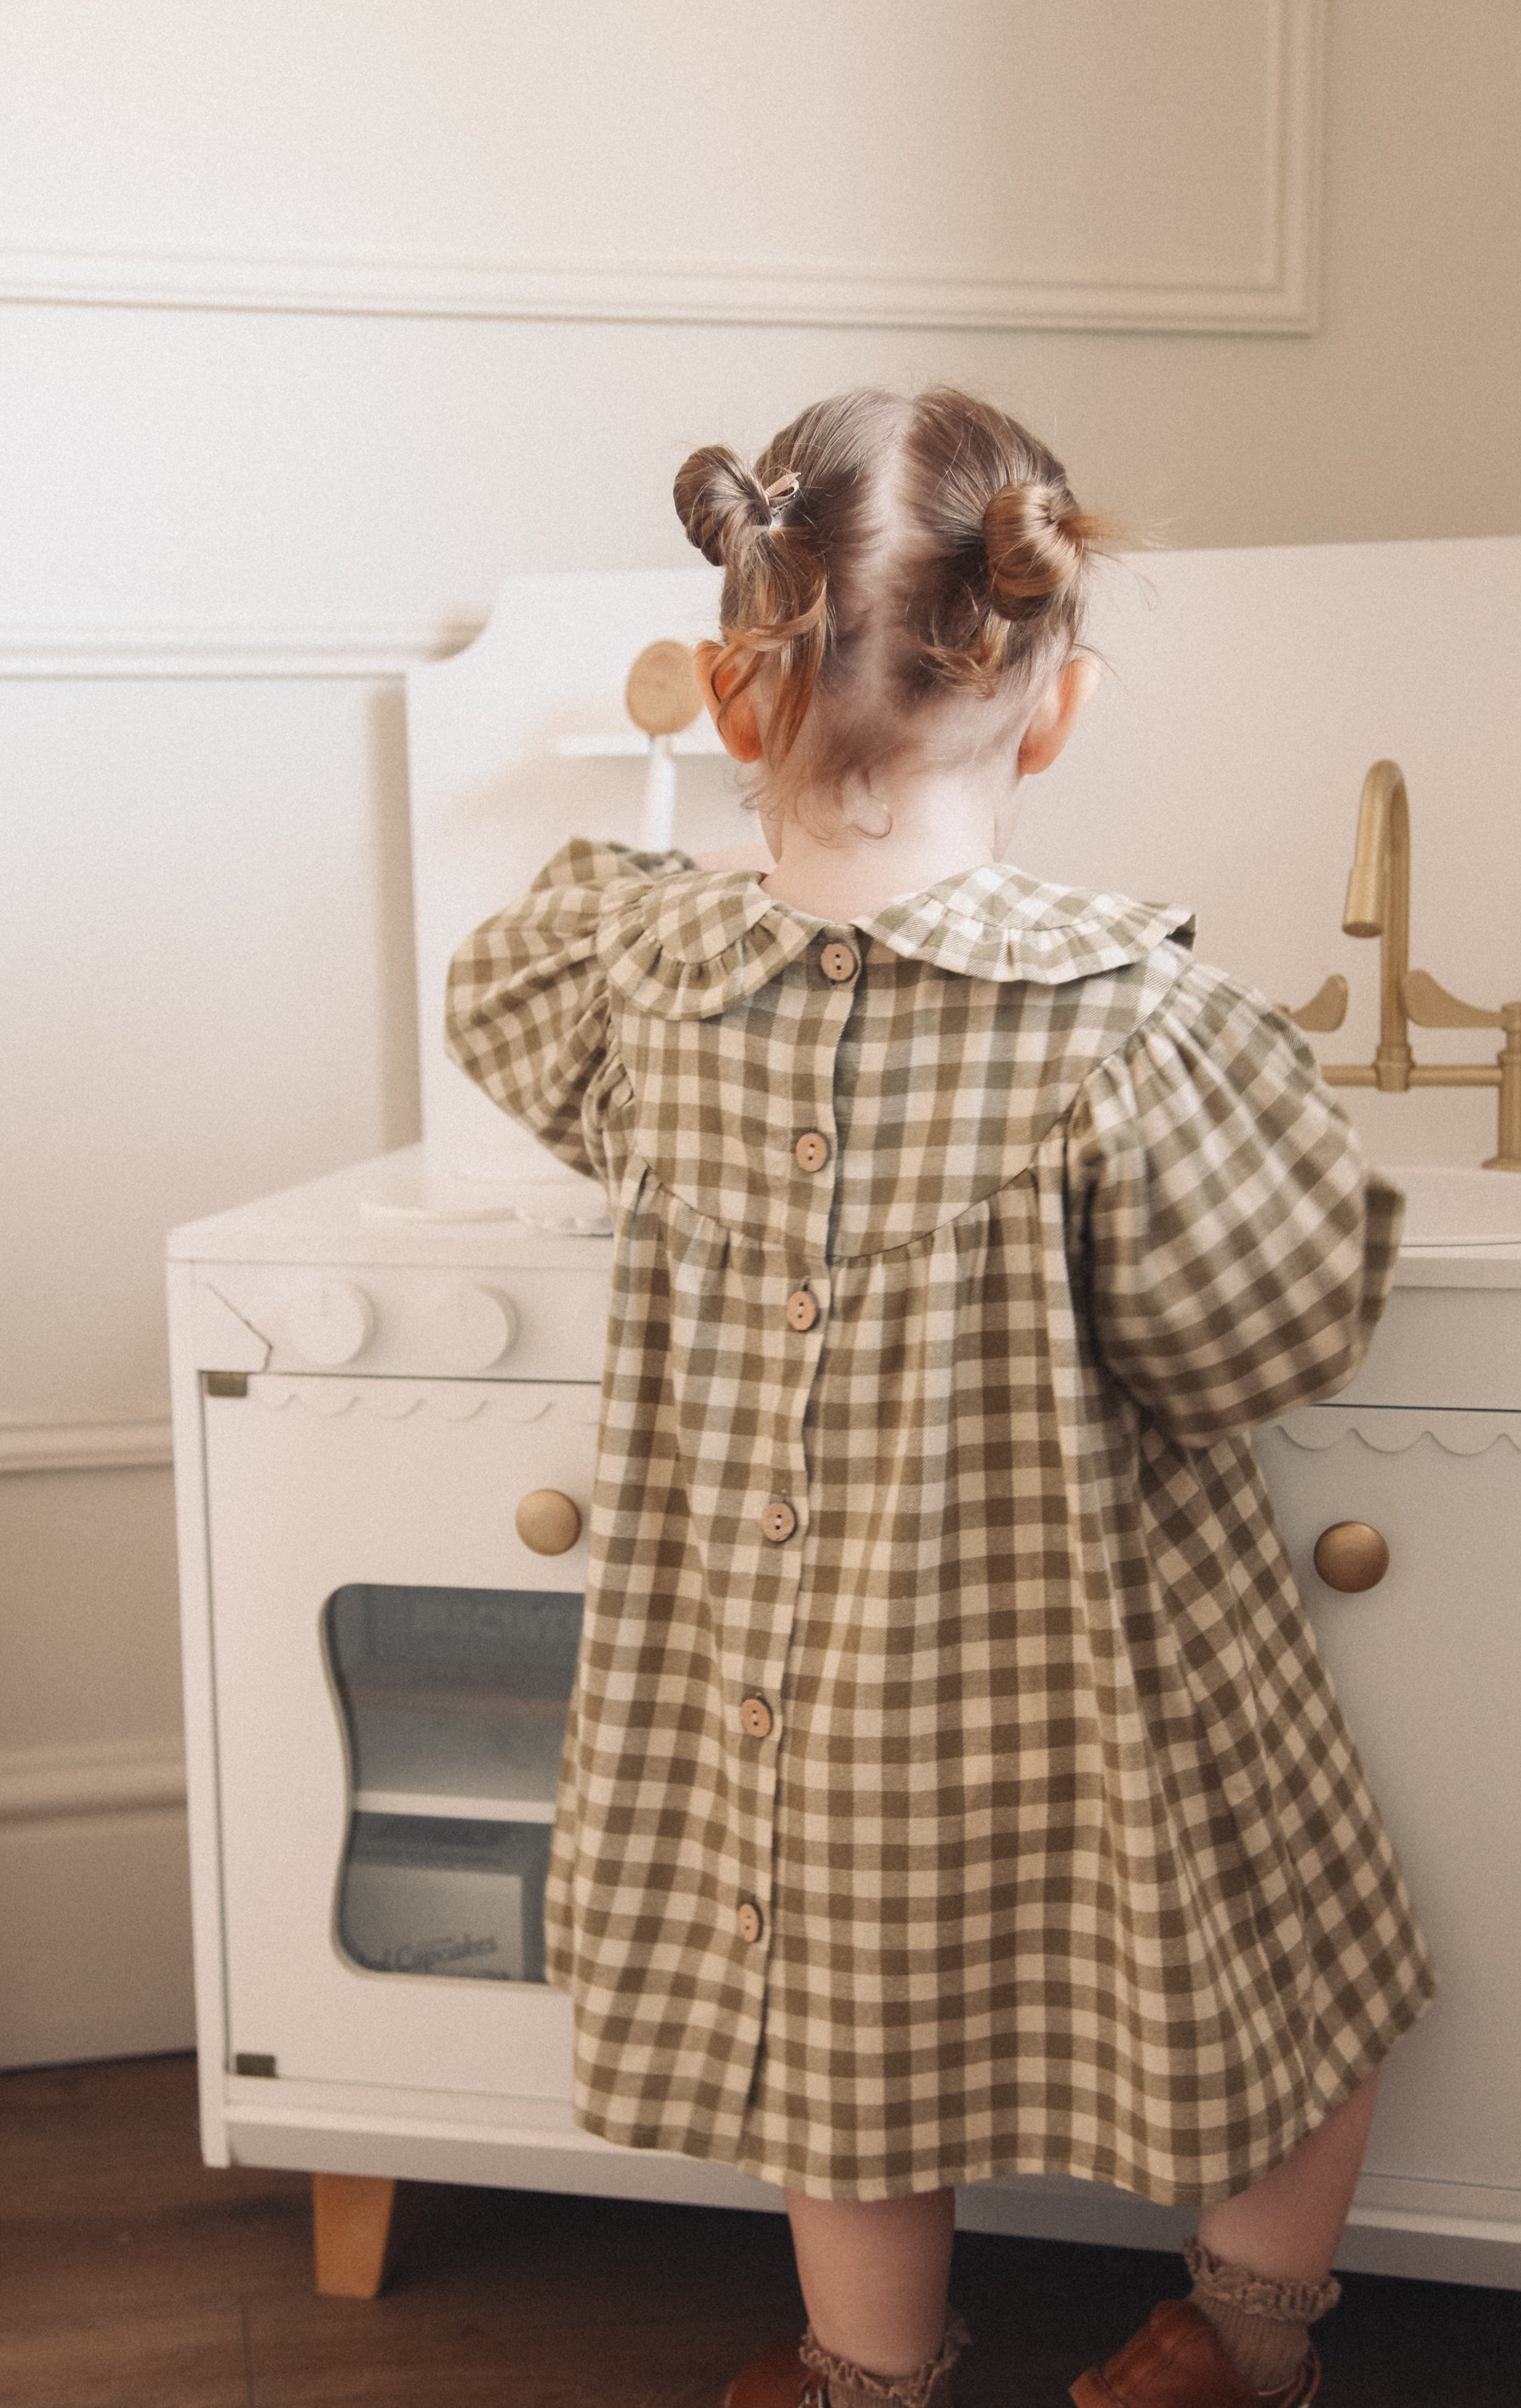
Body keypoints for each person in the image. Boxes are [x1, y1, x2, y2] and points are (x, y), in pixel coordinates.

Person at [443, 387, 1438, 2408]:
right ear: (1052, 706)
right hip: (1091, 1672)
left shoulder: (640, 975)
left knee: (842, 2057)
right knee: (1286, 1992)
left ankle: (866, 2373)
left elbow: (502, 1004)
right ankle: (1244, 2339)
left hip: (780, 1691)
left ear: (735, 698)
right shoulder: (1130, 1024)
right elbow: (1253, 1346)